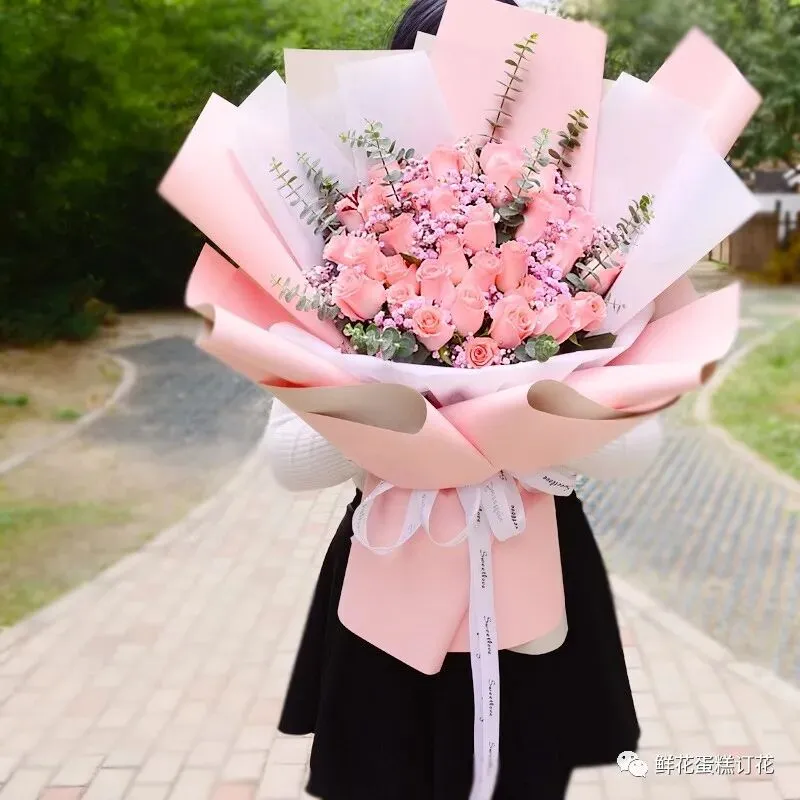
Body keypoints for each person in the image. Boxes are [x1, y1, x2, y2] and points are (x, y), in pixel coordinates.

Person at [268, 3, 662, 798]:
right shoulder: (345, 238)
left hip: (534, 577)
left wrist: (525, 400)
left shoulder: (582, 239)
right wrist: (394, 398)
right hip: (388, 578)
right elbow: (288, 459)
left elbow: (637, 447)